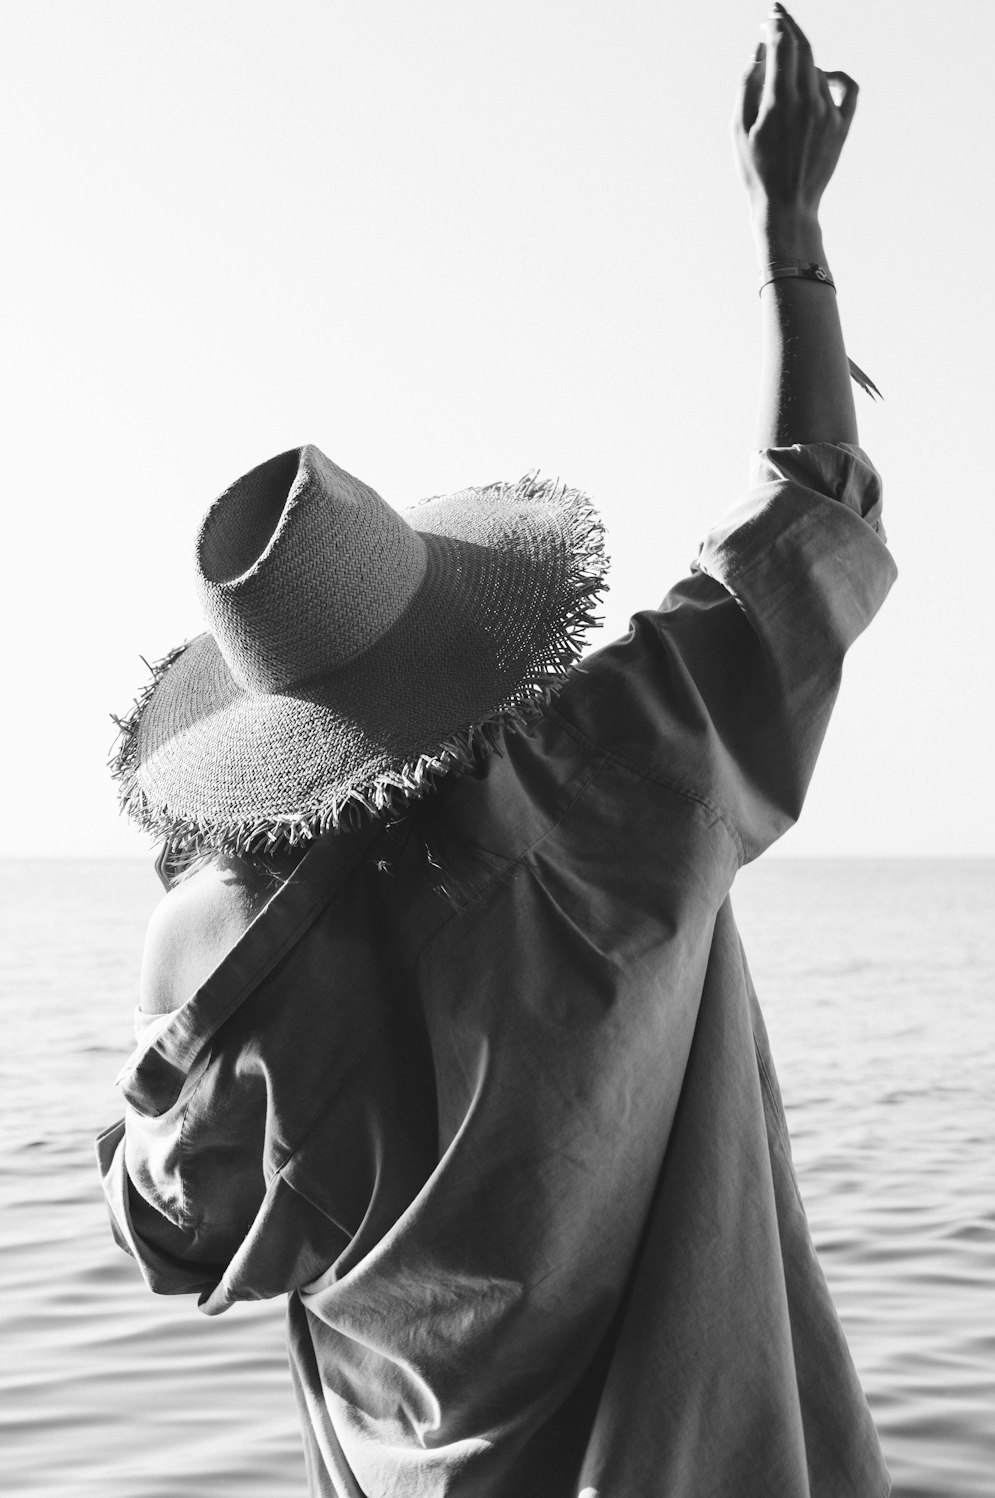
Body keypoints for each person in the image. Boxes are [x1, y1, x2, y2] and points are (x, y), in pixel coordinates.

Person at [98, 8, 896, 1496]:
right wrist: (790, 232)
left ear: (254, 728)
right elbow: (813, 518)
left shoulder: (214, 955)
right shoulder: (621, 780)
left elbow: (166, 1227)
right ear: (456, 637)